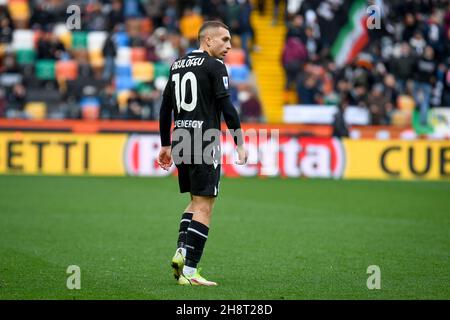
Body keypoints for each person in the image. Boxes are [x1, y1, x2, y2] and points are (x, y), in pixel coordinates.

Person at [158, 21, 248, 286]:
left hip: (182, 138)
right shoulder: (215, 66)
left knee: (195, 202)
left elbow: (165, 108)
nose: (229, 46)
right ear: (207, 40)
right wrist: (239, 141)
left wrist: (166, 144)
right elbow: (226, 106)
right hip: (205, 139)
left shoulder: (176, 65)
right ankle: (190, 270)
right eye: (224, 40)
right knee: (205, 207)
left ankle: (181, 253)